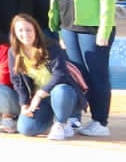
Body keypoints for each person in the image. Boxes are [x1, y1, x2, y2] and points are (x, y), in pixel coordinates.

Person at [49, 0, 117, 137]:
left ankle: (100, 121)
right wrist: (59, 30)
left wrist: (104, 30)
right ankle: (75, 118)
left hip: (92, 30)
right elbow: (59, 2)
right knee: (77, 75)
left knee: (97, 76)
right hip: (69, 29)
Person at [8, 12, 87, 140]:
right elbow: (17, 81)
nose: (25, 33)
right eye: (20, 30)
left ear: (35, 30)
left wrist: (39, 94)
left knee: (61, 90)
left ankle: (62, 123)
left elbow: (60, 74)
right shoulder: (13, 52)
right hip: (42, 100)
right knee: (26, 129)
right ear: (14, 33)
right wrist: (24, 104)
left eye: (28, 30)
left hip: (63, 95)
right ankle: (51, 119)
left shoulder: (51, 46)